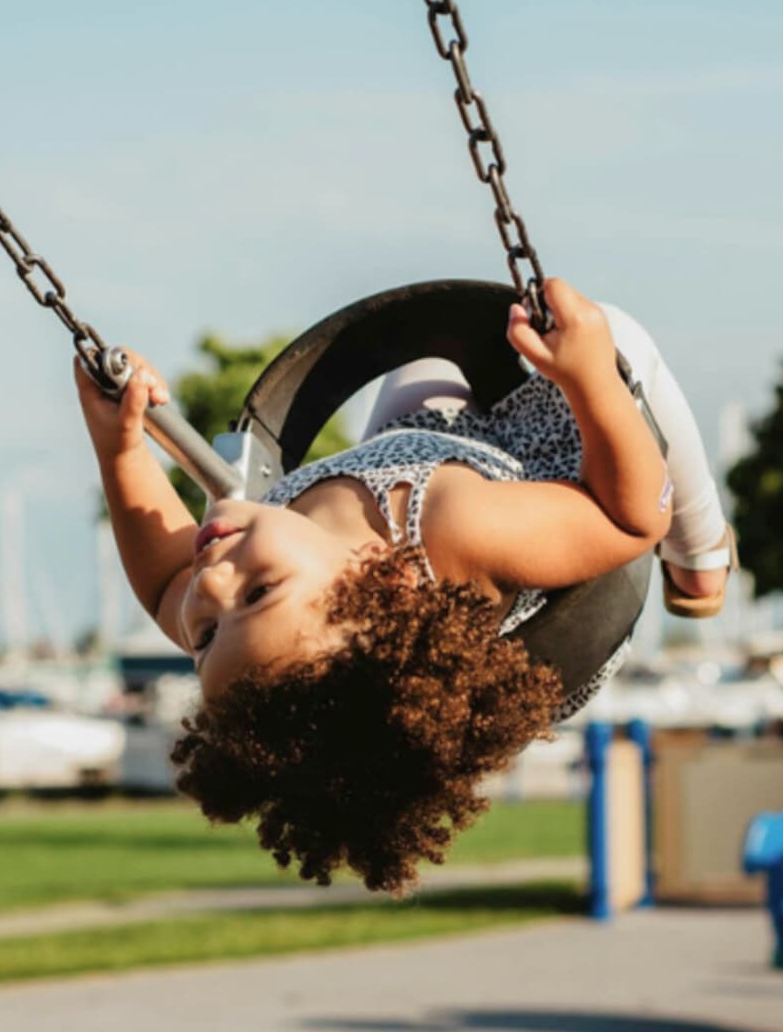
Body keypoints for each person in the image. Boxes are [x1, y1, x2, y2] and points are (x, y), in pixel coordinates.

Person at [76, 277, 734, 892]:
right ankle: (704, 554)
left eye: (206, 634)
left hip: (418, 446)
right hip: (560, 475)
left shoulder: (271, 616)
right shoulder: (459, 529)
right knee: (618, 340)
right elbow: (629, 519)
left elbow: (165, 582)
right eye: (258, 592)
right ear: (387, 584)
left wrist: (122, 448)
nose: (212, 585)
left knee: (433, 353)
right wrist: (590, 378)